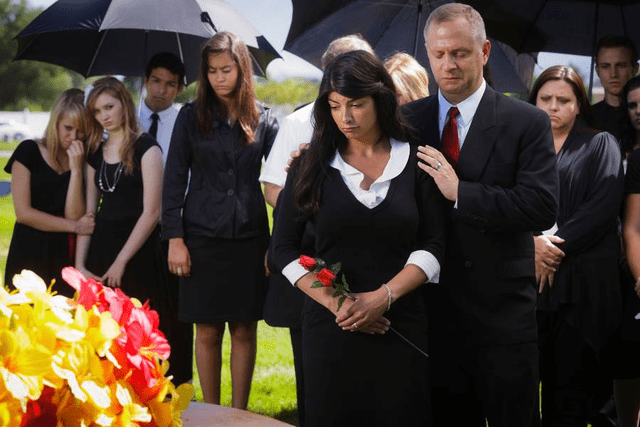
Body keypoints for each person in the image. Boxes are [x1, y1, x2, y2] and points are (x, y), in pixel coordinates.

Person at [271, 50, 447, 427]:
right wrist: (341, 304)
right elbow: (286, 249)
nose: (345, 118)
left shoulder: (417, 161)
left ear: (380, 99)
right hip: (330, 331)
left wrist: (383, 298)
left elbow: (433, 246)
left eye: (356, 105)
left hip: (402, 329)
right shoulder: (309, 165)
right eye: (334, 106)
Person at [404, 4, 559, 426]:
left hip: (503, 322)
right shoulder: (407, 121)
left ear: (485, 51)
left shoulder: (525, 122)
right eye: (438, 54)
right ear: (427, 55)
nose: (448, 64)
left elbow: (542, 206)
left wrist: (462, 194)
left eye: (460, 53)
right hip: (432, 317)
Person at [260, 34, 373, 426]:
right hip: (316, 258)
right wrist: (310, 212)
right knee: (315, 361)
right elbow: (274, 185)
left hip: (373, 267)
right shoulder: (297, 123)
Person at [162, 31, 278, 409]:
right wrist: (175, 238)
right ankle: (212, 413)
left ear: (242, 70)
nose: (218, 78)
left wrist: (276, 245)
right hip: (201, 239)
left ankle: (239, 415)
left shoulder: (266, 119)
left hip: (250, 239)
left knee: (245, 328)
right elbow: (174, 180)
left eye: (226, 69)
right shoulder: (189, 117)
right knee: (207, 330)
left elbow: (281, 185)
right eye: (211, 71)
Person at [529, 65, 624, 427]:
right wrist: (531, 246)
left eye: (563, 100)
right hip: (531, 284)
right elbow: (506, 203)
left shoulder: (600, 144)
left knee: (569, 397)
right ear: (533, 100)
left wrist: (550, 247)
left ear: (579, 104)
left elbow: (601, 208)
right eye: (545, 98)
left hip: (581, 287)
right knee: (525, 389)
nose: (553, 107)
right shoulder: (521, 147)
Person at [75, 77, 166, 314]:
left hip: (138, 252)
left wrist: (121, 261)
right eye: (97, 111)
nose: (104, 116)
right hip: (101, 249)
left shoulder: (148, 148)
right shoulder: (95, 153)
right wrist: (80, 265)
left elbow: (152, 212)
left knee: (136, 326)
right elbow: (89, 214)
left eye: (109, 107)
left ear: (124, 104)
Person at [4, 89, 94, 296]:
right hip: (28, 248)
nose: (74, 137)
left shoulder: (83, 161)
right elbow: (24, 213)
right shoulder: (28, 152)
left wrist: (77, 169)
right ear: (55, 123)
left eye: (81, 131)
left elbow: (74, 213)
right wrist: (75, 227)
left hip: (62, 253)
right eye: (68, 128)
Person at [139, 51, 193, 386]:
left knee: (176, 315)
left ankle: (179, 386)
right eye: (156, 81)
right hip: (131, 230)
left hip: (174, 229)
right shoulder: (124, 116)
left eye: (170, 84)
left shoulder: (186, 122)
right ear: (145, 81)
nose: (161, 89)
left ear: (180, 88)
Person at [615, 75, 640, 427]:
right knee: (627, 359)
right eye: (633, 104)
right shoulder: (631, 159)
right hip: (628, 274)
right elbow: (632, 227)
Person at [592, 35, 639, 140]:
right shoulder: (585, 120)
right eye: (605, 66)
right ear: (597, 71)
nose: (613, 74)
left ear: (635, 68)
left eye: (621, 65)